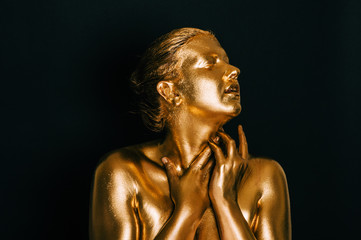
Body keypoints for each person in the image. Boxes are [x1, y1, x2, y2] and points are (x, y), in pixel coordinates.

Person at [90, 27, 291, 240]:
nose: (234, 70)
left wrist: (226, 203)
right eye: (210, 63)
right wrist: (187, 211)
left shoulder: (264, 176)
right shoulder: (124, 172)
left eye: (226, 60)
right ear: (170, 91)